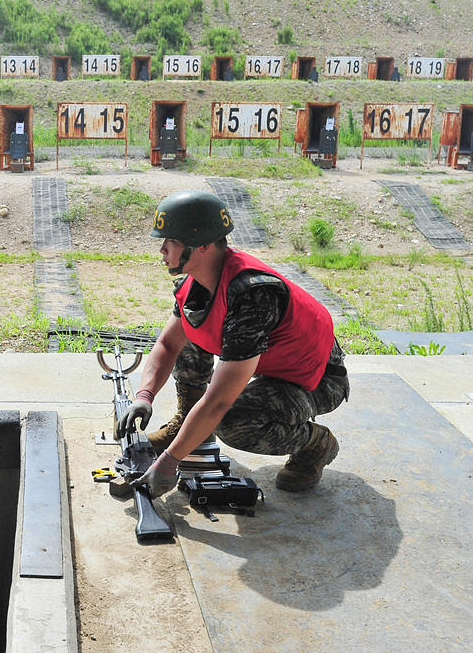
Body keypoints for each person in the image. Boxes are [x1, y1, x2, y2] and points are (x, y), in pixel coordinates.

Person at [118, 190, 350, 496]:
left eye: (171, 241)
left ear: (201, 245)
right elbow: (169, 345)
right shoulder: (197, 280)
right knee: (194, 329)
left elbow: (219, 402)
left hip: (316, 380)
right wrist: (144, 396)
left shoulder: (251, 297)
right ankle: (190, 426)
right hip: (273, 362)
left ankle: (315, 443)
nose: (162, 249)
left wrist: (168, 462)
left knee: (234, 422)